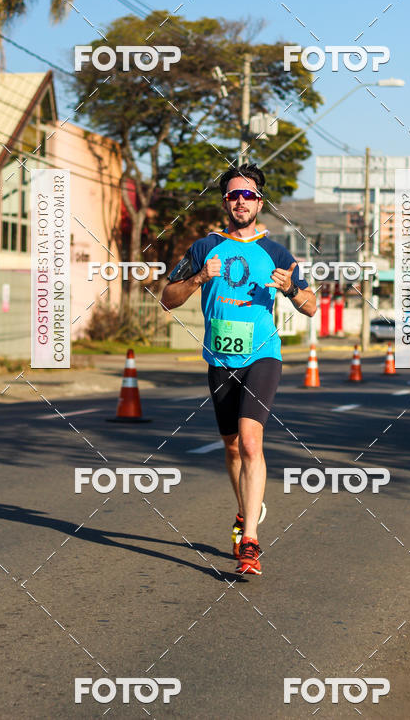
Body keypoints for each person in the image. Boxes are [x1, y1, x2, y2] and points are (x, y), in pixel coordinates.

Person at [161, 163, 316, 575]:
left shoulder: (277, 252)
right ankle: (245, 510)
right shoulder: (204, 247)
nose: (241, 201)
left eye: (248, 195)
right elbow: (167, 298)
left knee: (250, 442)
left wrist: (291, 289)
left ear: (260, 203)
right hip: (219, 359)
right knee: (231, 446)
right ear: (225, 202)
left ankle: (250, 541)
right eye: (234, 195)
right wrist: (198, 278)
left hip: (263, 356)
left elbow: (312, 306)